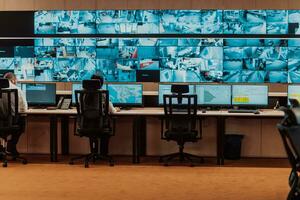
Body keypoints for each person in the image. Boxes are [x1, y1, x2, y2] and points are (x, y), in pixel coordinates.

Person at [90, 73, 120, 156]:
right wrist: (116, 109)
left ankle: (93, 153)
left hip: (85, 124)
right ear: (101, 83)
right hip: (100, 124)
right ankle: (103, 154)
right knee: (105, 130)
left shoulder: (83, 93)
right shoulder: (103, 94)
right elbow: (112, 111)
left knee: (92, 131)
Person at [3, 72, 28, 156]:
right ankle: (11, 145)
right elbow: (24, 109)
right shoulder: (17, 90)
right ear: (13, 80)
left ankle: (1, 148)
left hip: (0, 122)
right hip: (11, 122)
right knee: (22, 121)